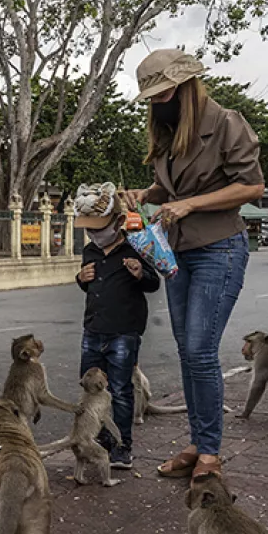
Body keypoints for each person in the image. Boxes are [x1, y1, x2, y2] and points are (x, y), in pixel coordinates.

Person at [120, 48, 264, 482]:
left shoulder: (225, 123)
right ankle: (199, 443)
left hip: (219, 247)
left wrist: (188, 205)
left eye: (161, 94)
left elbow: (252, 187)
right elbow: (171, 188)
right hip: (177, 253)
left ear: (183, 88)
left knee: (201, 350)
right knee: (188, 352)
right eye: (151, 97)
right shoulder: (170, 130)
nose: (155, 103)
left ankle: (211, 452)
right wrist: (146, 195)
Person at [73, 182, 160, 469]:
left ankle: (122, 445)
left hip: (124, 330)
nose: (95, 234)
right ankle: (98, 440)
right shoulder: (90, 252)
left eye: (99, 228)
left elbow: (154, 282)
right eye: (90, 229)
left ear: (118, 222)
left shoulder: (135, 248)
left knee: (121, 389)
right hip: (93, 328)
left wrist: (139, 273)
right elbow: (92, 289)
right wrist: (81, 279)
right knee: (90, 387)